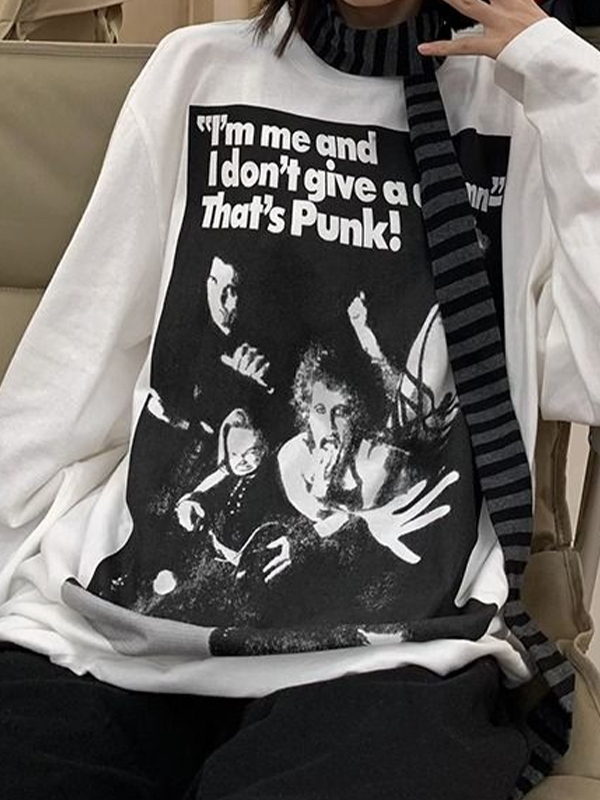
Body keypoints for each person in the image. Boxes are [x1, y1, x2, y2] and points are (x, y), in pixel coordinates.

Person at [0, 0, 599, 798]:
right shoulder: (197, 72)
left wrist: (569, 78)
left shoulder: (520, 112)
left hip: (384, 660)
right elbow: (72, 363)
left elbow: (589, 376)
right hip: (114, 637)